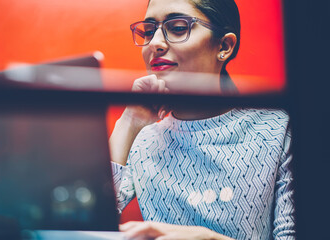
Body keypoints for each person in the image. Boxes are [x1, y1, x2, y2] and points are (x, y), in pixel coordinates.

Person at [109, 0, 295, 239]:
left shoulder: (276, 130)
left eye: (177, 28)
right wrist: (128, 122)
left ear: (224, 46)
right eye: (148, 31)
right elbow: (85, 220)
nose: (154, 43)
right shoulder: (143, 140)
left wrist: (207, 238)